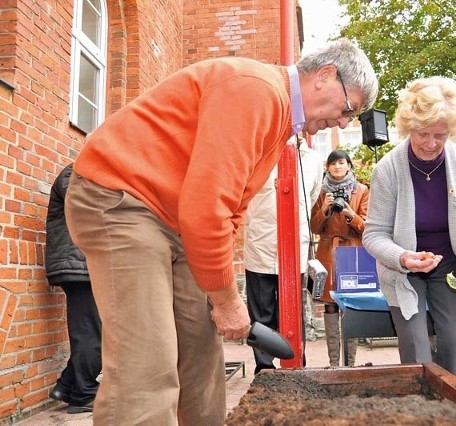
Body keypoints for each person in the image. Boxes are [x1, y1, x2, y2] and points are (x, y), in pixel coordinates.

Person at [64, 39, 378, 425]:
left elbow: (231, 211)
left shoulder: (279, 120)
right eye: (348, 109)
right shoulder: (256, 90)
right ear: (325, 76)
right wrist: (228, 301)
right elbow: (207, 208)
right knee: (147, 359)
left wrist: (220, 293)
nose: (344, 122)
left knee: (200, 348)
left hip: (173, 218)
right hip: (122, 200)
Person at [362, 76, 456, 379]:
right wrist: (403, 258)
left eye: (440, 134)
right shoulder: (387, 169)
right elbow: (374, 234)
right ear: (409, 127)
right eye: (423, 134)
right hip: (403, 267)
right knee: (416, 347)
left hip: (449, 263)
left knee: (453, 342)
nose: (431, 143)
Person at [244, 137, 323, 374]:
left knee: (293, 313)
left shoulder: (313, 160)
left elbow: (312, 193)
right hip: (261, 246)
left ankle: (295, 364)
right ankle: (265, 368)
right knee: (262, 313)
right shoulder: (257, 153)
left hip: (294, 249)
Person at [45, 163, 102, 414]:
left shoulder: (85, 172)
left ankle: (66, 386)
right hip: (78, 265)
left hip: (85, 263)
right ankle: (83, 395)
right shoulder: (77, 172)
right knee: (90, 331)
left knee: (95, 330)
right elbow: (87, 207)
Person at [310, 149, 369, 367]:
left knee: (350, 307)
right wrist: (325, 208)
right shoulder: (322, 192)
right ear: (327, 167)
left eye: (341, 162)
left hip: (352, 251)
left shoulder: (361, 190)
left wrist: (349, 215)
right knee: (330, 306)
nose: (337, 167)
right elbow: (314, 227)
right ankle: (334, 363)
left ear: (349, 165)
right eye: (332, 163)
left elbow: (366, 226)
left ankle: (350, 364)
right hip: (327, 253)